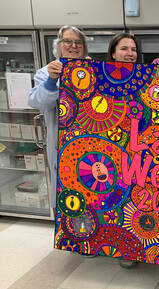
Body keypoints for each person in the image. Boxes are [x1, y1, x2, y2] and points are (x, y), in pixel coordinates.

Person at [28, 25, 88, 215]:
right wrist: (52, 81)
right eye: (67, 41)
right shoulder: (46, 72)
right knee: (67, 197)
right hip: (62, 146)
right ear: (58, 45)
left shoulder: (92, 68)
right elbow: (37, 102)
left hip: (90, 144)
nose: (73, 46)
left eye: (78, 42)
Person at [106, 32, 141, 269]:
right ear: (112, 53)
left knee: (134, 198)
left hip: (138, 147)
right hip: (110, 145)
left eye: (133, 49)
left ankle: (136, 245)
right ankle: (121, 247)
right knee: (115, 197)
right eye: (124, 48)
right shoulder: (101, 77)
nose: (129, 53)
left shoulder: (143, 76)